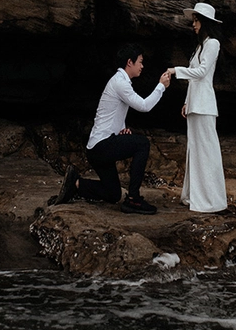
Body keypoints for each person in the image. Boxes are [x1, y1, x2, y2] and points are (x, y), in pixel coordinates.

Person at [52, 44, 171, 214]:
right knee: (142, 144)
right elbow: (144, 106)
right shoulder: (120, 82)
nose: (142, 66)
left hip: (97, 147)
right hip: (101, 146)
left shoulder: (119, 81)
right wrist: (161, 86)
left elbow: (112, 113)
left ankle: (77, 184)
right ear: (129, 62)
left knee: (113, 193)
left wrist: (121, 129)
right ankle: (133, 199)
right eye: (140, 62)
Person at [167, 2, 227, 213]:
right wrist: (186, 101)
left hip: (205, 106)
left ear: (206, 22)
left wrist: (176, 70)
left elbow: (201, 73)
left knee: (207, 151)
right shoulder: (200, 46)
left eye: (196, 20)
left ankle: (212, 200)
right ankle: (195, 196)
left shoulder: (213, 44)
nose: (193, 24)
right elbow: (195, 79)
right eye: (193, 20)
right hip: (196, 104)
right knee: (195, 150)